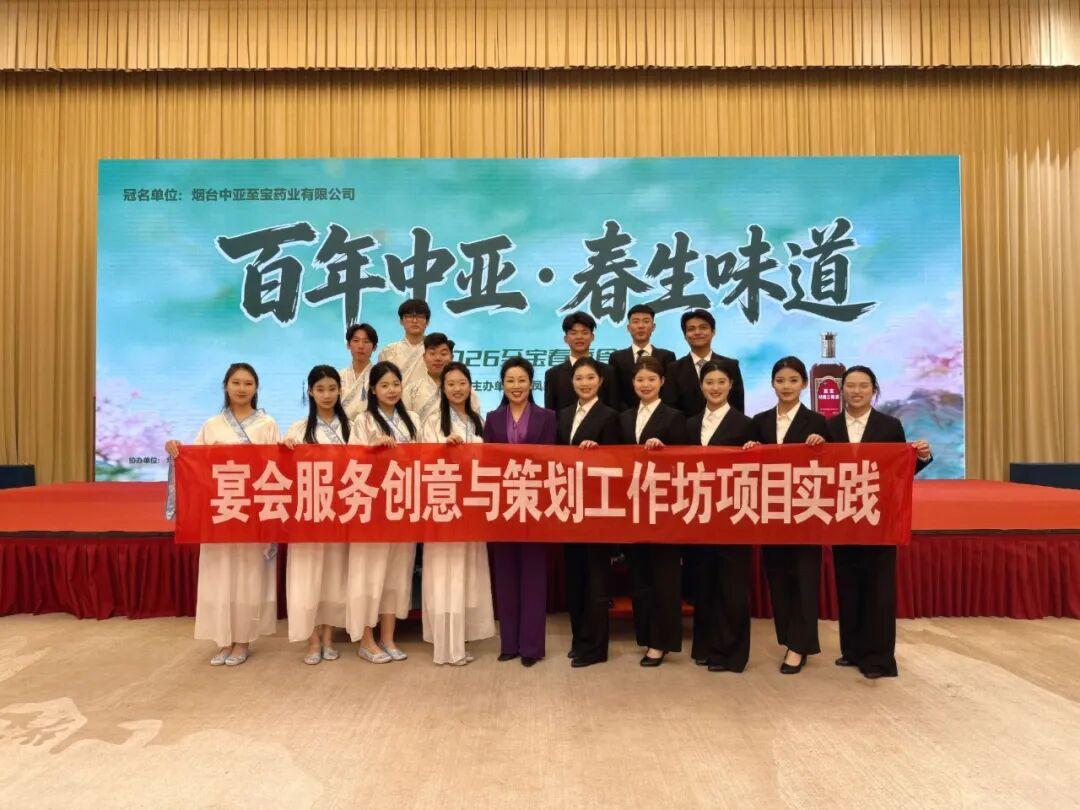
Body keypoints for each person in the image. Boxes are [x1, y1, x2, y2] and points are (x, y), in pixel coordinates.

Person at [164, 363, 279, 667]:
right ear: (226, 386)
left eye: (248, 383)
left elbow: (273, 467)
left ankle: (243, 640)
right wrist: (176, 451)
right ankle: (224, 639)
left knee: (247, 575)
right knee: (220, 574)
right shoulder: (212, 424)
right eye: (236, 382)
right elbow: (194, 466)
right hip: (220, 510)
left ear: (256, 388)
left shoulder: (267, 424)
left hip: (250, 509)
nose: (242, 388)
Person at [826, 365, 933, 679]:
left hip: (879, 518)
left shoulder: (889, 425)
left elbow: (900, 470)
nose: (856, 391)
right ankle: (852, 650)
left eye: (863, 386)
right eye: (850, 386)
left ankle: (878, 658)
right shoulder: (829, 427)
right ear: (842, 390)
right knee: (848, 585)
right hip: (844, 517)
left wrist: (922, 457)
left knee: (879, 588)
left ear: (874, 390)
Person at [744, 356, 828, 674]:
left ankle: (800, 646)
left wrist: (823, 446)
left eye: (793, 380)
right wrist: (750, 448)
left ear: (804, 383)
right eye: (780, 381)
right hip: (772, 512)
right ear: (772, 384)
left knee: (804, 578)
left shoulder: (818, 422)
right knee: (778, 578)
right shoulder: (760, 421)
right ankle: (788, 638)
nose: (786, 386)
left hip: (806, 512)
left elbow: (833, 466)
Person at [419, 362, 496, 665]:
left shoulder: (478, 420)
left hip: (471, 506)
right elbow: (422, 461)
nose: (457, 389)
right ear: (442, 388)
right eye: (450, 384)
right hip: (443, 505)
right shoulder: (433, 421)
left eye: (462, 383)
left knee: (467, 572)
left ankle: (460, 638)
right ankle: (446, 646)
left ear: (470, 385)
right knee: (444, 572)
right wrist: (444, 447)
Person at [483, 356, 557, 667]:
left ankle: (531, 647)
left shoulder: (547, 417)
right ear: (502, 384)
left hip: (536, 504)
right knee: (505, 574)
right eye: (510, 381)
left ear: (531, 383)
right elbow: (487, 462)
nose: (516, 386)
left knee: (534, 576)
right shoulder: (492, 418)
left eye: (521, 380)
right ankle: (509, 643)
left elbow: (551, 460)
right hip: (502, 506)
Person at [346, 361, 420, 664]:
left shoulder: (412, 419)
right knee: (369, 574)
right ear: (373, 390)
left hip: (402, 504)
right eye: (384, 385)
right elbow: (349, 462)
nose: (391, 390)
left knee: (397, 574)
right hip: (371, 506)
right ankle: (366, 639)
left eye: (396, 384)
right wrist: (371, 449)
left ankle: (388, 637)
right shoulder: (362, 421)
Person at [685, 360, 755, 673]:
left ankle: (732, 653)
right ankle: (705, 647)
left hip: (733, 515)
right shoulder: (689, 425)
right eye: (709, 382)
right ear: (701, 387)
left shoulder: (745, 425)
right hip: (698, 515)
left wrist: (756, 450)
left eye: (721, 382)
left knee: (732, 588)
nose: (715, 388)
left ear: (731, 386)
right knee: (705, 586)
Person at [618, 355, 688, 667]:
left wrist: (666, 452)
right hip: (633, 509)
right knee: (640, 577)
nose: (645, 384)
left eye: (651, 379)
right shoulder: (624, 418)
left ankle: (661, 642)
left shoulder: (674, 417)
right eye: (640, 379)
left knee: (665, 577)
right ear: (632, 383)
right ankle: (646, 636)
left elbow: (686, 463)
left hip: (665, 510)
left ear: (662, 382)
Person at [282, 365, 351, 665]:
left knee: (334, 576)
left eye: (332, 389)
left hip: (340, 512)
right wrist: (285, 450)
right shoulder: (298, 429)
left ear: (340, 391)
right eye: (320, 389)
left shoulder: (351, 428)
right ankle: (311, 639)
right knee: (306, 577)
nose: (327, 395)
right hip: (307, 514)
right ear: (310, 392)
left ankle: (328, 637)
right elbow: (283, 472)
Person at [555, 357, 621, 667]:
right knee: (576, 579)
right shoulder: (564, 415)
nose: (585, 383)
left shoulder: (611, 416)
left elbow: (620, 463)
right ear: (572, 382)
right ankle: (579, 639)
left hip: (598, 510)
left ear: (601, 381)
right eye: (579, 378)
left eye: (590, 377)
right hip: (570, 507)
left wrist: (601, 454)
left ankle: (595, 648)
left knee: (596, 581)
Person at [663, 309, 745, 416]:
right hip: (684, 426)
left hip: (725, 426)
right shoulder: (673, 369)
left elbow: (738, 406)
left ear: (713, 332)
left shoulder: (731, 365)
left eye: (703, 327)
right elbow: (670, 409)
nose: (697, 332)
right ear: (685, 335)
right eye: (691, 329)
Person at [543, 311, 618, 412]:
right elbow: (550, 413)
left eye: (584, 332)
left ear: (592, 337)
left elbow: (613, 409)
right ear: (566, 338)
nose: (579, 337)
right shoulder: (553, 374)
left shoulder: (607, 371)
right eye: (573, 333)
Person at [608, 304, 676, 410]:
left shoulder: (667, 357)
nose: (641, 326)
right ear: (629, 328)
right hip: (625, 416)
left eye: (646, 321)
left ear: (653, 327)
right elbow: (614, 393)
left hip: (660, 415)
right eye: (636, 321)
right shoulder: (616, 358)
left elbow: (670, 392)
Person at [403, 332, 480, 426]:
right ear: (424, 357)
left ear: (451, 357)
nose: (438, 358)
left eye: (443, 354)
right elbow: (404, 426)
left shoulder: (465, 390)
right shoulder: (411, 391)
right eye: (432, 353)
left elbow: (475, 424)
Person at [377, 298, 430, 389]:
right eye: (409, 316)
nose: (414, 321)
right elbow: (381, 385)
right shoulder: (388, 351)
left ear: (427, 322)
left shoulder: (435, 351)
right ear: (401, 321)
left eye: (420, 316)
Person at [340, 322, 377, 421]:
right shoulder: (338, 376)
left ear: (374, 347)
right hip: (342, 427)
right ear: (348, 345)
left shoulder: (380, 377)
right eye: (356, 340)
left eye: (366, 341)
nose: (361, 346)